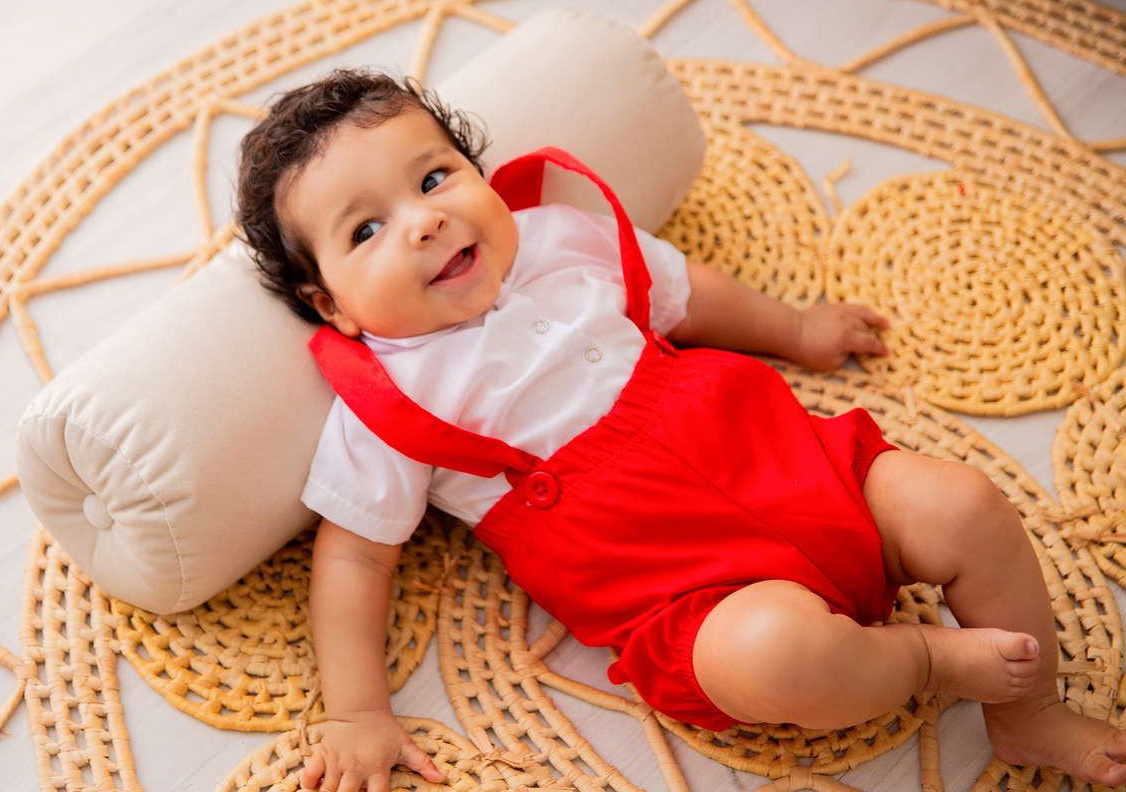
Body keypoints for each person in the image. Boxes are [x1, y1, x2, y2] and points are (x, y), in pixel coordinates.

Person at [235, 69, 1126, 791]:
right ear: (332, 306)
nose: (425, 219)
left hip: (801, 471)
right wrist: (358, 712)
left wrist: (796, 328)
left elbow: (688, 292)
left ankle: (1030, 713)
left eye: (434, 178)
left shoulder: (560, 239)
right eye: (368, 229)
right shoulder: (392, 403)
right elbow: (354, 558)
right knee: (782, 656)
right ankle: (928, 660)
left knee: (963, 502)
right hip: (691, 598)